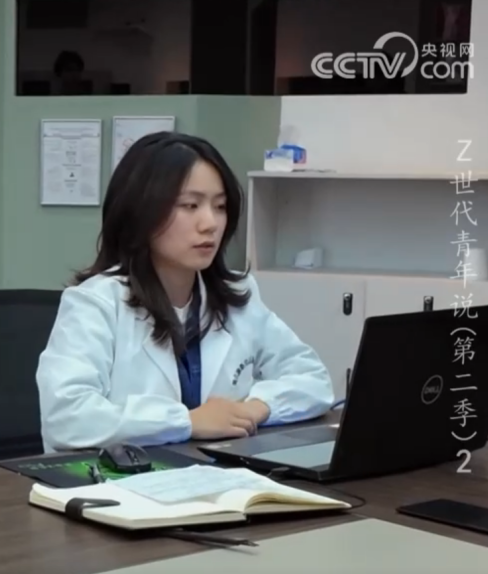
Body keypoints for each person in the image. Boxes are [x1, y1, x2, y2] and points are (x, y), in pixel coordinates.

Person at [36, 132, 333, 451]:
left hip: (216, 472)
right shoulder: (96, 303)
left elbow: (314, 381)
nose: (210, 223)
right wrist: (187, 421)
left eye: (220, 206)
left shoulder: (237, 295)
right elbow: (66, 417)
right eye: (190, 205)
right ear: (141, 211)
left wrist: (255, 409)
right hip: (126, 477)